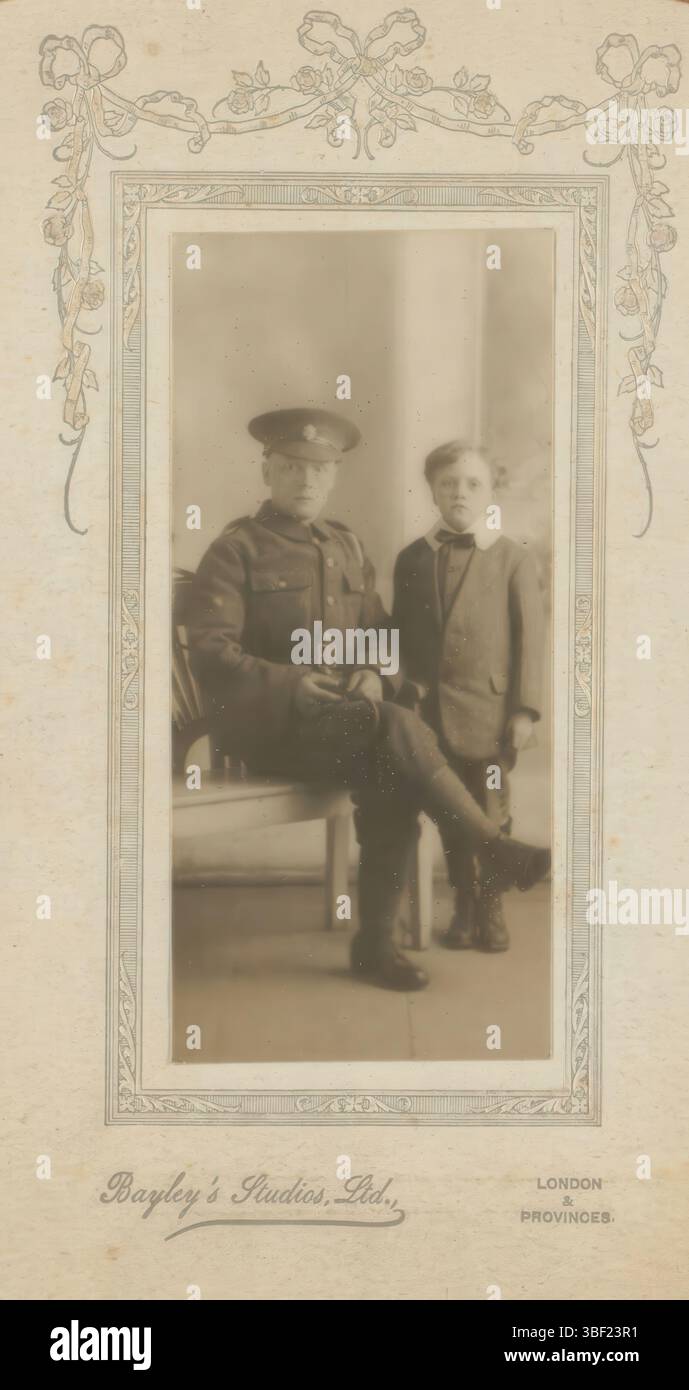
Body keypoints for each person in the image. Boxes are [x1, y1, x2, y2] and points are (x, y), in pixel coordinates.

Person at [184, 409, 549, 991]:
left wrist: (378, 675)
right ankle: (492, 845)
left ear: (333, 478)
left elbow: (380, 636)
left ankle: (374, 946)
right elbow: (209, 651)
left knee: (393, 766)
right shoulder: (236, 550)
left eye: (320, 470)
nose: (307, 480)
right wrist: (290, 682)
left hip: (343, 727)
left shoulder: (346, 547)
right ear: (267, 470)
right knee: (395, 732)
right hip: (269, 732)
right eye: (293, 468)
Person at [392, 440, 546, 953]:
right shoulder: (413, 558)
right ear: (433, 490)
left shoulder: (512, 558)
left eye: (473, 483)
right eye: (449, 483)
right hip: (430, 714)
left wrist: (524, 710)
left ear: (490, 492)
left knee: (493, 809)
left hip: (492, 713)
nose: (460, 492)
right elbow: (402, 637)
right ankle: (463, 904)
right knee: (453, 815)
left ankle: (492, 905)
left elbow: (530, 639)